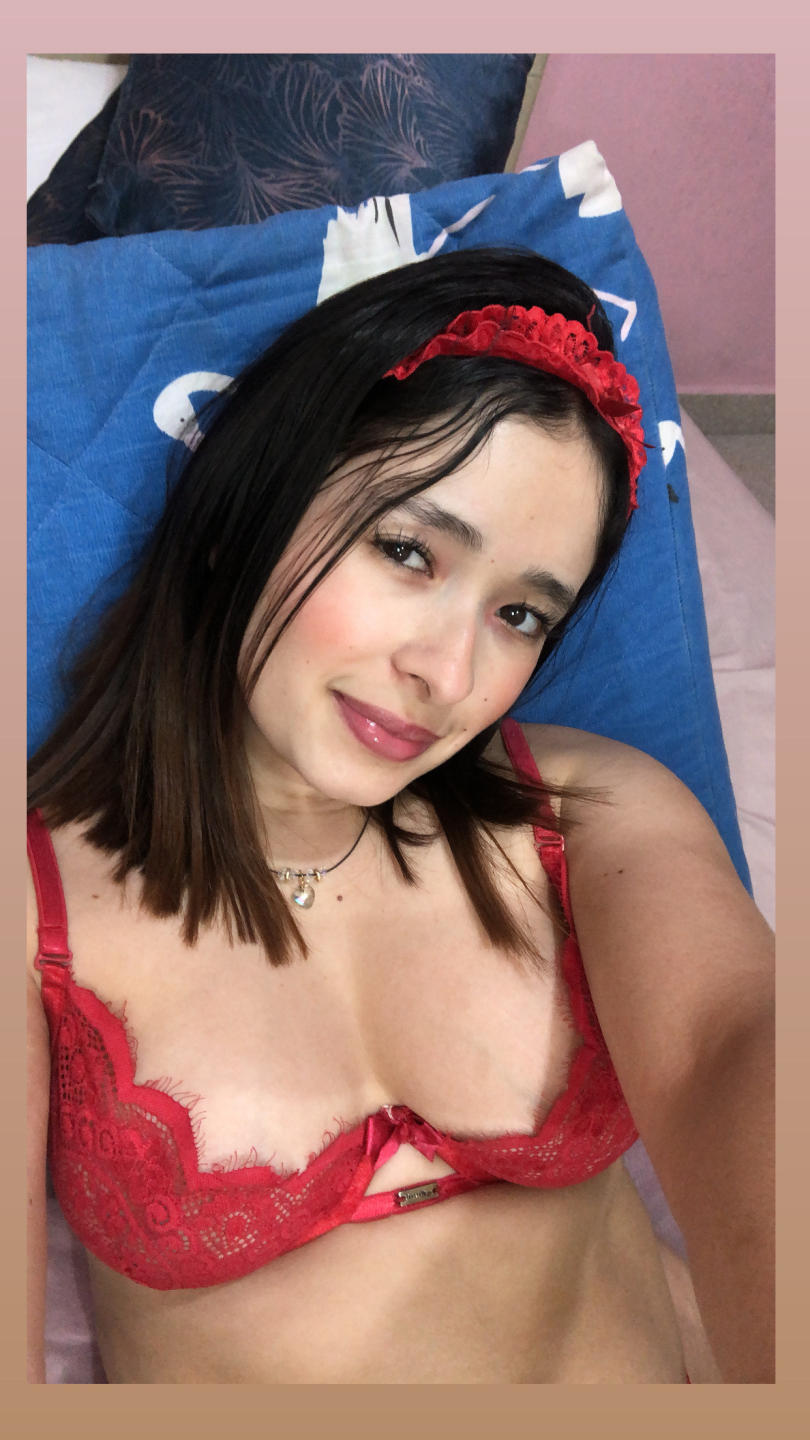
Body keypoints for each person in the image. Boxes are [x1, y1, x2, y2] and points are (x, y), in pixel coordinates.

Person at [27, 247, 774, 1385]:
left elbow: (735, 1045)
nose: (450, 673)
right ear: (246, 510)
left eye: (521, 615)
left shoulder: (590, 812)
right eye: (409, 551)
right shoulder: (29, 899)